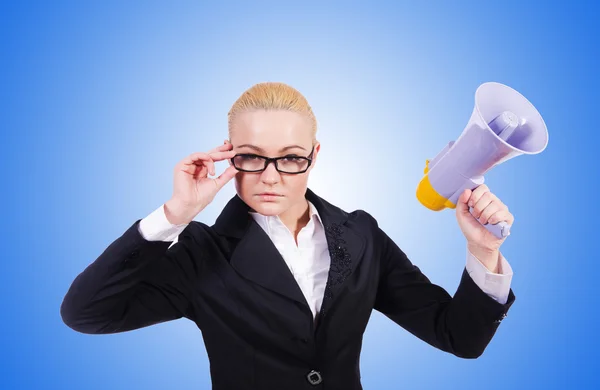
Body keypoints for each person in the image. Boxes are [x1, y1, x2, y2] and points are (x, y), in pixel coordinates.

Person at [61, 82, 516, 390]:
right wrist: (174, 214)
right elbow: (87, 314)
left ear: (314, 155)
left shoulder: (361, 236)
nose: (271, 177)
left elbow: (460, 338)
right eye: (252, 157)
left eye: (291, 158)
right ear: (229, 156)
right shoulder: (200, 253)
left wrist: (482, 249)